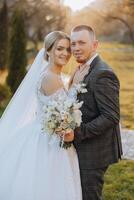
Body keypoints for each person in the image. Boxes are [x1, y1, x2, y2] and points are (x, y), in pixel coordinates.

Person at [0, 31, 82, 200]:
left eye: (68, 49)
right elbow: (64, 114)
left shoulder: (51, 74)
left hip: (42, 132)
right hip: (49, 142)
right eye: (59, 48)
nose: (65, 53)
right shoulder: (51, 78)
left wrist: (70, 81)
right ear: (48, 51)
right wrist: (75, 86)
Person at [63, 25, 123, 200]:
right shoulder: (81, 68)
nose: (76, 48)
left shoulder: (102, 73)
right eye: (73, 44)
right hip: (82, 146)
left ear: (95, 45)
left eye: (82, 43)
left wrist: (77, 133)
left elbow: (111, 116)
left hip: (95, 150)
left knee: (90, 195)